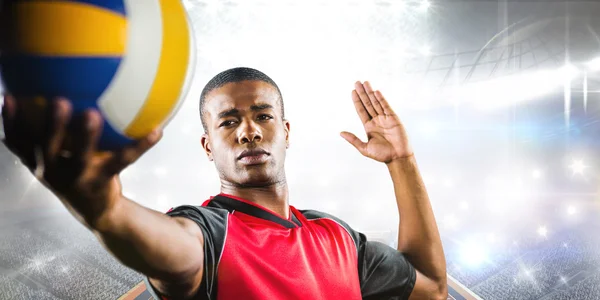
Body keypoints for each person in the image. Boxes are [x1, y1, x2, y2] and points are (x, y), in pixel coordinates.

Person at [1, 67, 447, 300]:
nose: (248, 131)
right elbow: (171, 249)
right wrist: (105, 209)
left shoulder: (338, 238)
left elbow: (432, 287)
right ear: (208, 145)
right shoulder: (207, 231)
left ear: (286, 131)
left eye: (263, 116)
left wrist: (402, 162)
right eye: (229, 122)